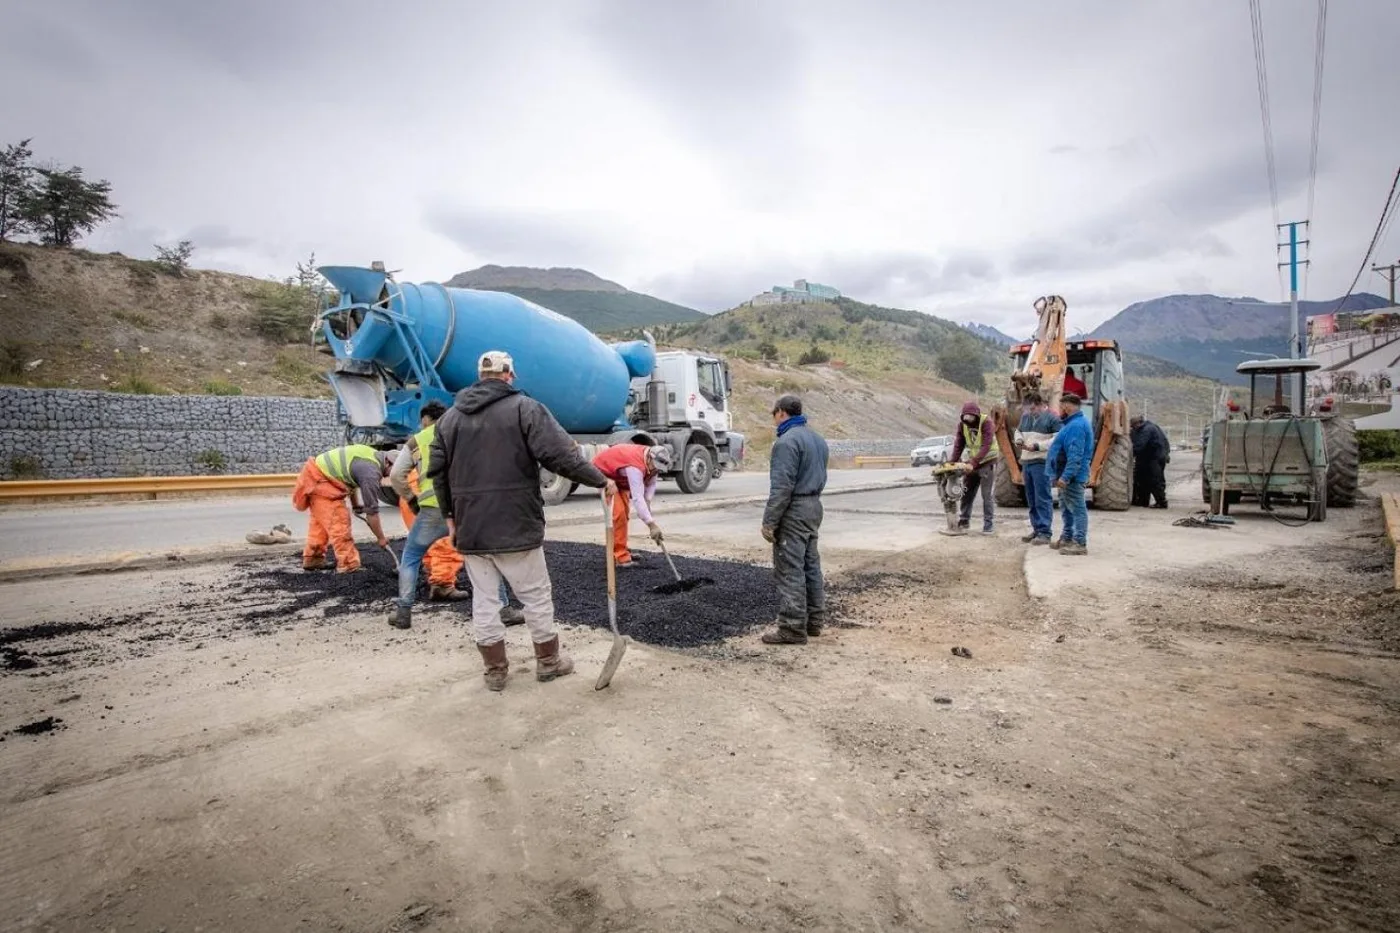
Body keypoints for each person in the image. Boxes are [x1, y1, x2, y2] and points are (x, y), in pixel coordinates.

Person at [428, 350, 615, 691]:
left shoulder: (449, 419)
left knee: (484, 601)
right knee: (535, 596)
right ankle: (548, 662)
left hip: (471, 527)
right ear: (510, 375)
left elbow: (438, 474)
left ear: (480, 377)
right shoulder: (525, 409)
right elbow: (561, 455)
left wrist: (450, 519)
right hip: (516, 523)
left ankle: (496, 671)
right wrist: (600, 480)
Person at [386, 402, 524, 630]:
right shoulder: (465, 433)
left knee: (411, 557)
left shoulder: (417, 440)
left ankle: (403, 612)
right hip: (466, 508)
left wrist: (411, 499)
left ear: (425, 420)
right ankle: (505, 610)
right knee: (486, 557)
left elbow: (397, 476)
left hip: (431, 509)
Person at [759, 395, 829, 646]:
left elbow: (781, 487)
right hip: (814, 506)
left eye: (774, 415)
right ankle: (814, 622)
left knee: (790, 568)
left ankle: (792, 627)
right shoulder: (818, 440)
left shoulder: (786, 442)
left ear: (780, 413)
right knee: (811, 565)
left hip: (795, 509)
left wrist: (769, 522)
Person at [292, 443, 391, 573]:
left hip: (315, 475)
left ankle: (313, 558)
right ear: (388, 463)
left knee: (319, 525)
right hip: (322, 481)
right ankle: (349, 564)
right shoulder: (371, 472)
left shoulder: (371, 455)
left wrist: (355, 505)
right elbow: (372, 513)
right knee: (339, 522)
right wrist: (381, 539)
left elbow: (350, 479)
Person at [592, 442, 674, 568]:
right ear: (649, 458)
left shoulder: (654, 465)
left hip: (620, 477)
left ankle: (622, 548)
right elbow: (637, 498)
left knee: (624, 514)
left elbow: (650, 486)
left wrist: (648, 505)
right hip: (603, 473)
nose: (655, 470)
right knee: (618, 514)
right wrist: (651, 525)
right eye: (655, 467)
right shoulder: (635, 467)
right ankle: (620, 556)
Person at [1045, 392, 1093, 555]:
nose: (1060, 409)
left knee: (1077, 508)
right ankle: (1067, 537)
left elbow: (1075, 455)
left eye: (1061, 405)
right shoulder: (1070, 424)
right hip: (1064, 474)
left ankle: (1079, 542)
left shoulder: (1077, 426)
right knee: (1066, 507)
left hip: (1072, 476)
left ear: (1067, 406)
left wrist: (1066, 476)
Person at [1014, 391, 1060, 544]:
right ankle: (1036, 528)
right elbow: (1018, 431)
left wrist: (1037, 446)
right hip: (1027, 462)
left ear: (1041, 405)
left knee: (1042, 498)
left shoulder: (1052, 419)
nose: (1030, 412)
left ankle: (1045, 532)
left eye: (1033, 409)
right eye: (1028, 409)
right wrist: (1019, 440)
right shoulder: (1026, 417)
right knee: (1032, 499)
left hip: (1041, 462)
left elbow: (1057, 438)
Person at [949, 401, 1000, 535]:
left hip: (987, 461)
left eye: (971, 417)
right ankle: (964, 520)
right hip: (972, 463)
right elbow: (958, 445)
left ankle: (988, 525)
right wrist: (951, 463)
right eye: (966, 417)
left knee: (986, 495)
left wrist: (974, 462)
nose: (968, 420)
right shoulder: (962, 425)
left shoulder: (986, 422)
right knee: (966, 493)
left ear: (976, 415)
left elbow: (986, 444)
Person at [1130, 414, 1171, 509]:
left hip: (1154, 458)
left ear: (1138, 424)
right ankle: (1143, 501)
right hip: (1153, 457)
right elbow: (1165, 441)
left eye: (1133, 427)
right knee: (1142, 479)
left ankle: (1161, 502)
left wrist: (1128, 454)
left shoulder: (1147, 430)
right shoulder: (1152, 426)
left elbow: (1139, 446)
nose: (1133, 429)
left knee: (1155, 480)